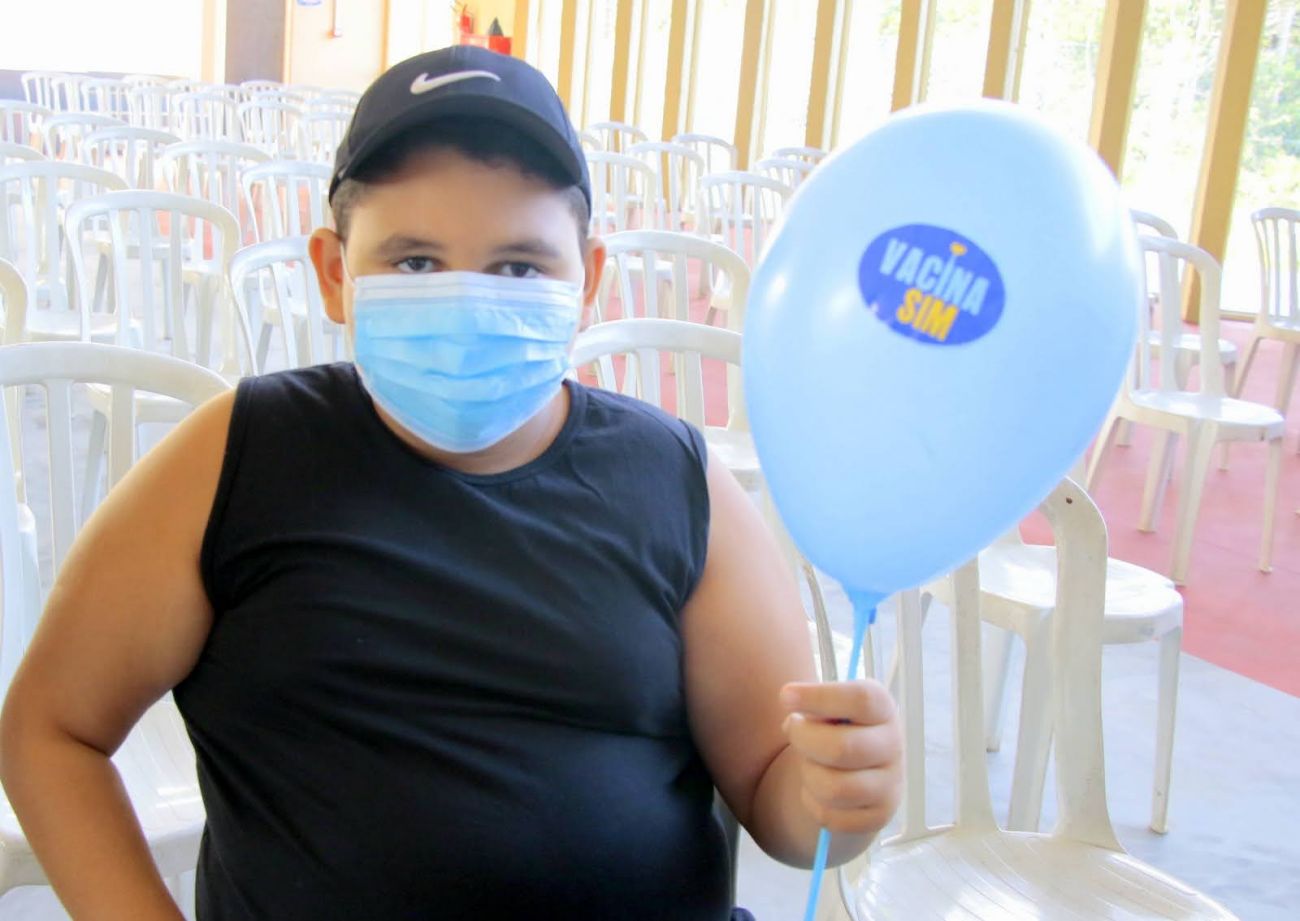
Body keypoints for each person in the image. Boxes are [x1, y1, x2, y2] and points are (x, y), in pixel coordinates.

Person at [0, 47, 901, 920]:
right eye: (415, 262)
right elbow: (51, 727)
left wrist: (839, 795)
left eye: (519, 266)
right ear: (334, 273)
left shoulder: (676, 482)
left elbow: (775, 792)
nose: (469, 300)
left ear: (587, 278)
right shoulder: (236, 461)